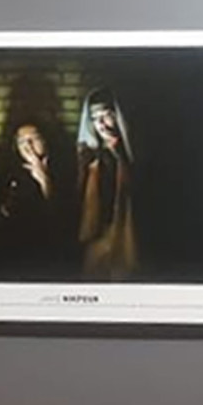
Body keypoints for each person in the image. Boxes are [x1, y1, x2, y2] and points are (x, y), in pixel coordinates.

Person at [76, 88, 139, 279]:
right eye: (95, 118)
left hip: (128, 233)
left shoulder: (134, 153)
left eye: (106, 116)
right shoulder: (89, 155)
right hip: (97, 234)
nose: (101, 124)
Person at [0, 122, 67, 276]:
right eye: (22, 141)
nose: (28, 145)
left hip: (52, 253)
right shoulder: (9, 171)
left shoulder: (64, 167)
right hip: (17, 251)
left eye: (33, 139)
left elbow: (61, 215)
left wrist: (44, 179)